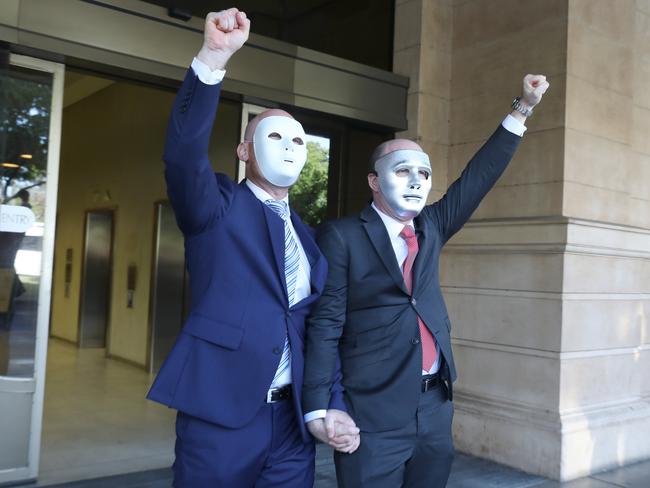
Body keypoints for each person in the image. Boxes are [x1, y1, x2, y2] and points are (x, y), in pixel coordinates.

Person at [303, 75, 550, 487]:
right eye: (402, 171)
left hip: (435, 406)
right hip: (373, 411)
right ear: (373, 181)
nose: (417, 180)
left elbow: (479, 177)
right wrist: (318, 409)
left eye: (424, 172)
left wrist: (523, 107)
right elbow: (326, 324)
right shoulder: (342, 235)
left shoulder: (431, 225)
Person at [147, 8, 358, 487]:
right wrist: (213, 59)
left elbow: (316, 331)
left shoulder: (309, 239)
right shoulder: (216, 208)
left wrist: (332, 405)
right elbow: (182, 154)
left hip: (292, 425)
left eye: (299, 140)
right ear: (244, 151)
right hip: (221, 419)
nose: (289, 146)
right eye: (275, 135)